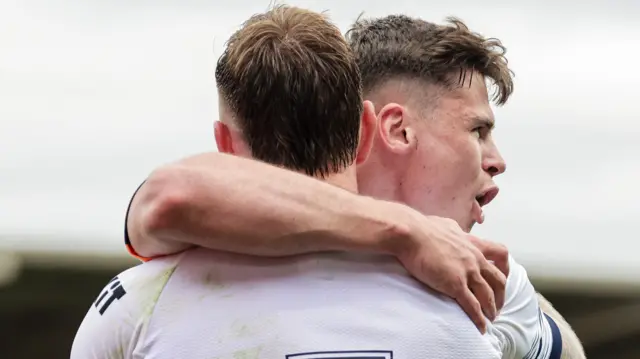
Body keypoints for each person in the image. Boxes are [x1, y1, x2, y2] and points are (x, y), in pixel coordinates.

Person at [125, 14, 586, 359]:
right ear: (390, 129)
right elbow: (171, 197)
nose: (498, 160)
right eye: (477, 131)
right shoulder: (229, 224)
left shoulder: (489, 278)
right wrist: (408, 230)